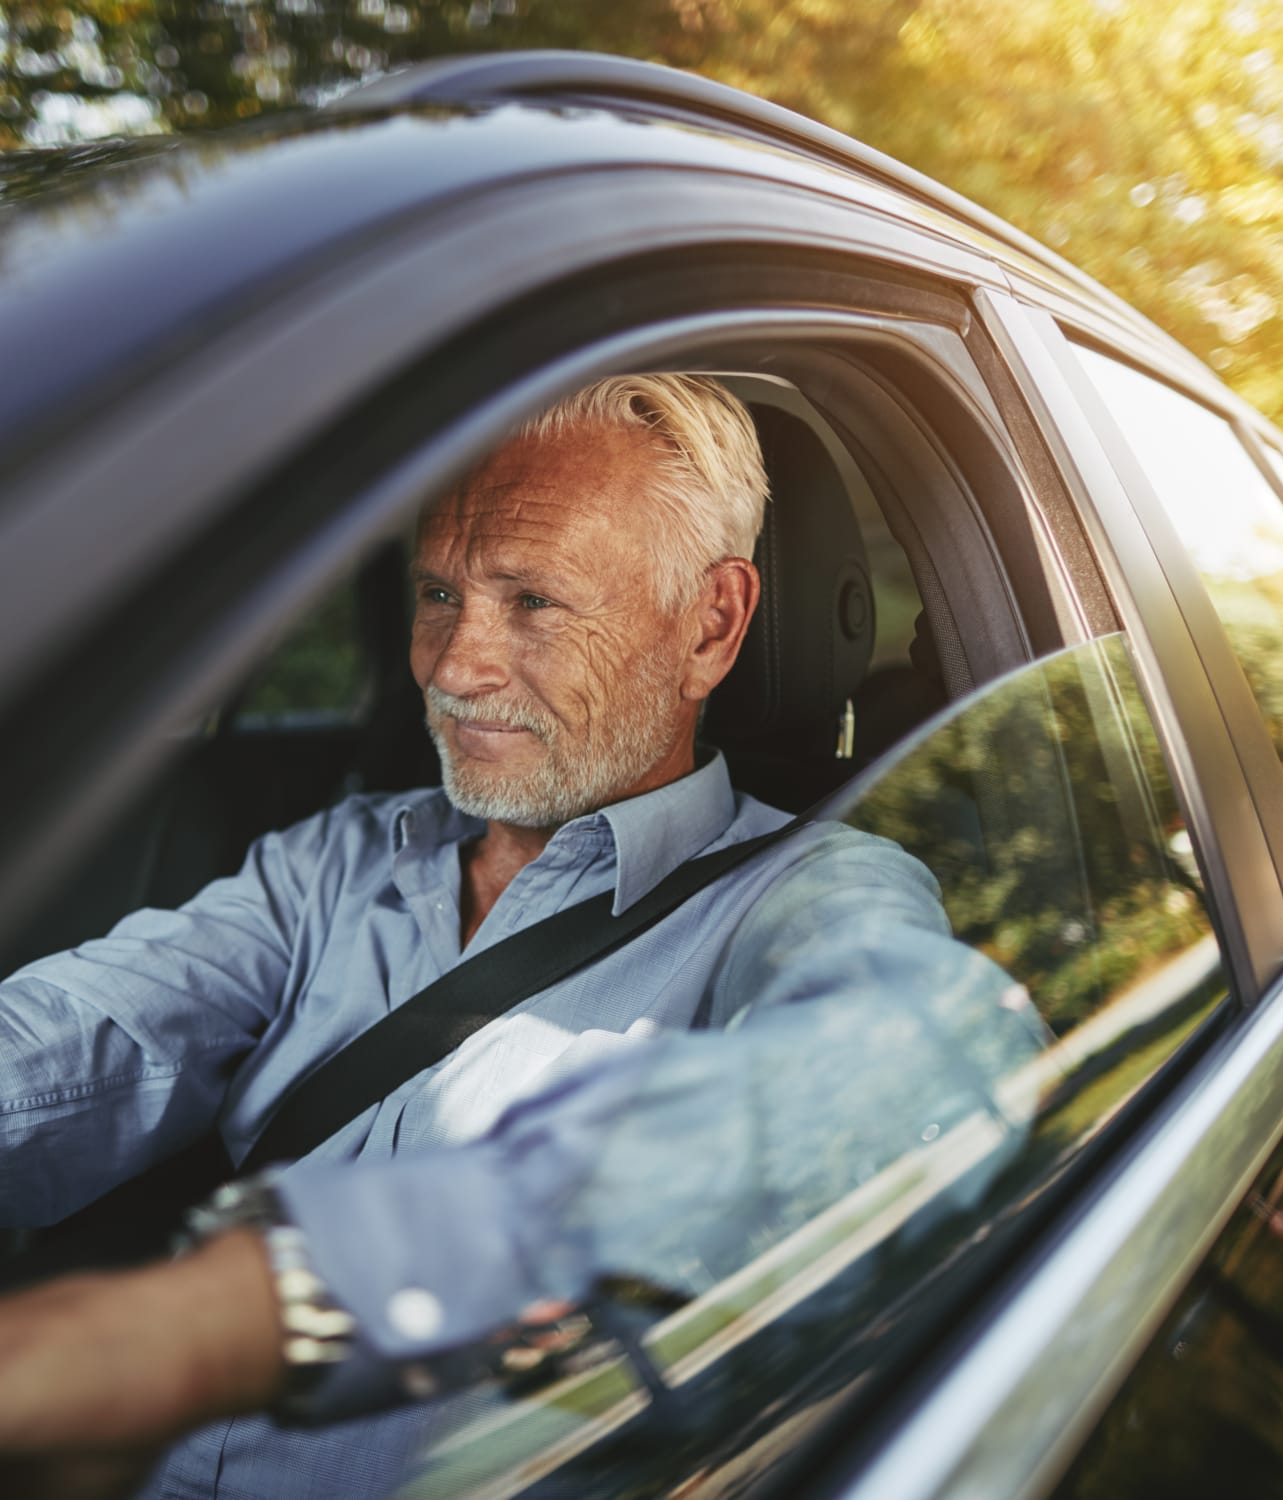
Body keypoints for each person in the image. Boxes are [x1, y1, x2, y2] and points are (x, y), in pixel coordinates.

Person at [0, 375, 1042, 1499]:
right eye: (439, 592)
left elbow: (922, 1067)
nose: (452, 668)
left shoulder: (809, 891)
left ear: (713, 624)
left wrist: (277, 1298)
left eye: (534, 602)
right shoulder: (344, 858)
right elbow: (87, 1032)